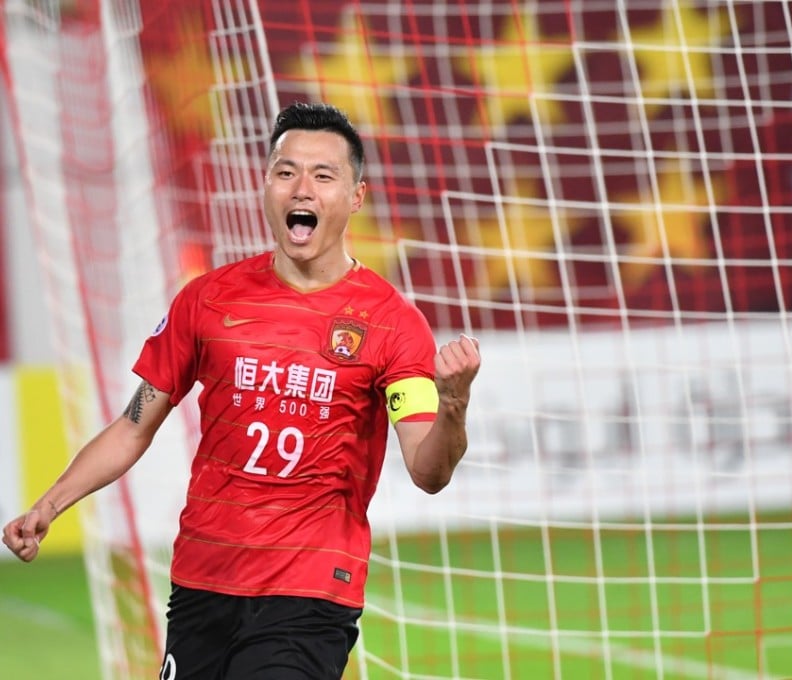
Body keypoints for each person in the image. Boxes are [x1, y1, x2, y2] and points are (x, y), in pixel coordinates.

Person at [2, 101, 482, 679]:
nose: (301, 189)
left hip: (309, 591)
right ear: (265, 185)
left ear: (356, 196)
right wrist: (48, 505)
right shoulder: (207, 300)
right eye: (286, 172)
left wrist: (452, 405)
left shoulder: (392, 323)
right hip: (203, 581)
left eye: (323, 175)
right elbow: (134, 423)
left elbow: (428, 471)